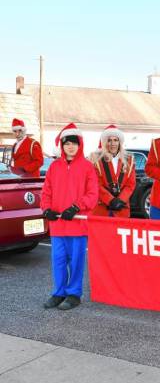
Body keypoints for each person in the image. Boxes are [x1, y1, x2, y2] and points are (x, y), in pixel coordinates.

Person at [40, 123, 99, 310]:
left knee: (76, 261)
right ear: (62, 145)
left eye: (74, 143)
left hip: (77, 224)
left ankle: (74, 294)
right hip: (58, 224)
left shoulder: (88, 167)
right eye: (67, 143)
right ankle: (59, 293)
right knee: (58, 260)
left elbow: (92, 194)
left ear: (79, 144)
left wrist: (76, 207)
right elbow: (46, 191)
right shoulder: (54, 167)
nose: (70, 146)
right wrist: (46, 208)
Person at [91, 125, 136, 218]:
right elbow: (96, 184)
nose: (113, 143)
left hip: (121, 209)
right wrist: (110, 200)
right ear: (105, 142)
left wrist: (121, 200)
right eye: (109, 140)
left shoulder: (129, 160)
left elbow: (130, 184)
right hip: (102, 208)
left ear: (120, 142)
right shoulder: (97, 160)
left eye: (116, 140)